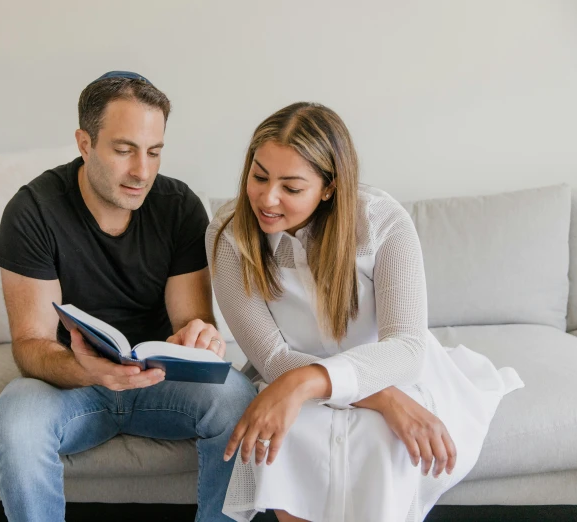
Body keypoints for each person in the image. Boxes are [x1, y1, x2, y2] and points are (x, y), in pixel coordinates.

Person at [206, 102, 524, 522]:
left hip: (389, 371)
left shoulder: (382, 222)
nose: (267, 198)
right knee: (292, 434)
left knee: (383, 440)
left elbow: (407, 349)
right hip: (291, 375)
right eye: (259, 176)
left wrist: (377, 391)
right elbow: (273, 358)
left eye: (291, 187)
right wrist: (381, 400)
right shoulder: (229, 233)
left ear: (329, 186)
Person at [0, 71, 256, 522]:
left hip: (157, 380)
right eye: (124, 150)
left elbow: (189, 319)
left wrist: (197, 338)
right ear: (85, 143)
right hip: (71, 383)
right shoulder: (32, 210)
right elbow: (30, 345)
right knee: (16, 421)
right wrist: (83, 369)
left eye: (153, 152)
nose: (142, 171)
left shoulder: (179, 207)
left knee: (237, 397)